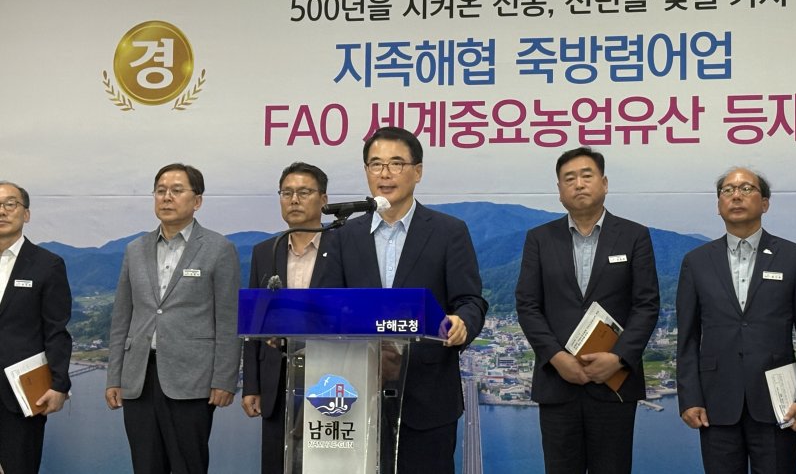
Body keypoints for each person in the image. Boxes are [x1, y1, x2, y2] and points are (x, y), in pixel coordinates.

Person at [322, 126, 487, 473]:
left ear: (418, 171)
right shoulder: (342, 235)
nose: (385, 173)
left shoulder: (448, 231)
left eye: (396, 163)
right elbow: (329, 307)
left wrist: (462, 323)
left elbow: (471, 300)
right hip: (355, 395)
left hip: (428, 398)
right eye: (376, 164)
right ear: (366, 171)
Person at [515, 147, 660, 474]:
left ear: (604, 183)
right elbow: (527, 304)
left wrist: (618, 357)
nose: (578, 184)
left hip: (614, 383)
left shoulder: (634, 236)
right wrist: (557, 357)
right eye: (569, 179)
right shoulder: (539, 239)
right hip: (558, 382)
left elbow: (647, 305)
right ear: (559, 190)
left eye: (586, 176)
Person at [105, 164, 241, 474]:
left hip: (192, 379)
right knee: (145, 465)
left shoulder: (219, 249)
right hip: (139, 377)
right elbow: (121, 318)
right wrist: (114, 377)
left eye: (177, 190)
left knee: (188, 465)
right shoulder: (134, 249)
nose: (167, 197)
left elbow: (229, 320)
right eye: (160, 190)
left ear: (197, 201)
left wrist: (224, 379)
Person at [677, 167, 796, 474]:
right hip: (716, 403)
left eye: (746, 189)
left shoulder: (792, 257)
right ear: (718, 205)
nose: (736, 195)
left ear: (765, 203)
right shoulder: (697, 261)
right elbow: (687, 338)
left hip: (779, 404)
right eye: (728, 190)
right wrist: (689, 398)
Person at [242, 162, 333, 473]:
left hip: (329, 378)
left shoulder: (343, 246)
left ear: (323, 199)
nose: (294, 200)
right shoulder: (265, 251)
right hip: (276, 380)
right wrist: (251, 385)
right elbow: (254, 322)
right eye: (287, 193)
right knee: (276, 464)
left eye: (304, 192)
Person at [0, 181, 72, 474]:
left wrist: (59, 384)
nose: (2, 211)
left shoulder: (47, 265)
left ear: (26, 214)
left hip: (19, 395)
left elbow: (56, 330)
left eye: (10, 204)